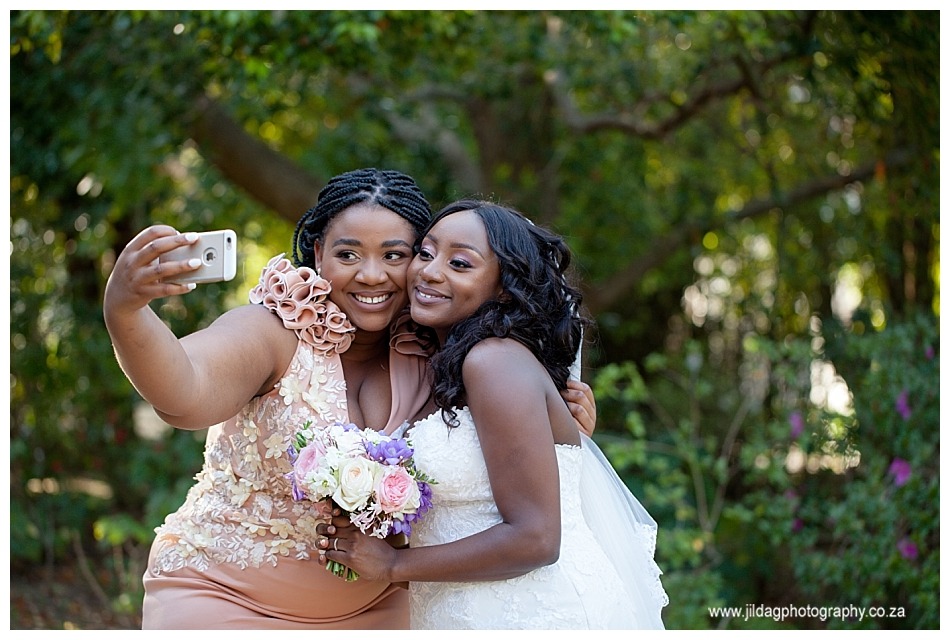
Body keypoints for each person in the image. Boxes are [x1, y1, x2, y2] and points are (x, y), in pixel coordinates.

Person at [103, 169, 597, 629]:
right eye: (348, 254)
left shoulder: (443, 350)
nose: (371, 275)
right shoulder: (273, 329)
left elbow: (506, 458)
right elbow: (184, 395)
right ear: (318, 254)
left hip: (381, 607)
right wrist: (126, 312)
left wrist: (564, 425)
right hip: (223, 598)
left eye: (396, 255)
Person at [317, 200, 669, 629]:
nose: (429, 271)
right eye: (426, 253)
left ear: (503, 286)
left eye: (460, 263)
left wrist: (393, 565)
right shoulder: (446, 367)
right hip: (467, 610)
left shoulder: (493, 361)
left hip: (534, 614)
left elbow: (536, 539)